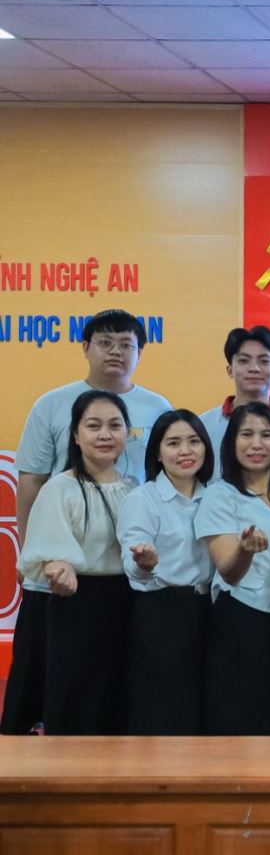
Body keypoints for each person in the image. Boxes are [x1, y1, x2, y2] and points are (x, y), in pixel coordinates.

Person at [6, 310, 169, 735]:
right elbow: (31, 482)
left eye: (126, 344)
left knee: (117, 687)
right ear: (85, 347)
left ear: (140, 351)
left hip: (127, 575)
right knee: (53, 681)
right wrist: (37, 555)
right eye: (105, 342)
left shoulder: (158, 408)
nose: (116, 351)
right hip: (64, 574)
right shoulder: (52, 405)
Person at [16, 391, 139, 735]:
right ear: (75, 435)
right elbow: (50, 550)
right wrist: (61, 567)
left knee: (119, 700)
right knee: (77, 699)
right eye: (93, 426)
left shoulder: (135, 489)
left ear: (127, 433)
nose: (105, 435)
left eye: (115, 426)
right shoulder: (60, 488)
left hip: (127, 603)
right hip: (77, 605)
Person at [195, 401, 270, 736]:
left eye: (266, 435)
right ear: (231, 442)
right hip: (241, 623)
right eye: (247, 435)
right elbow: (229, 571)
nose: (257, 444)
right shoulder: (220, 495)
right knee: (240, 721)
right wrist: (244, 550)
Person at [118, 409, 215, 735]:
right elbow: (132, 564)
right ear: (158, 453)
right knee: (165, 710)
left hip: (208, 612)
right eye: (173, 443)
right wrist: (144, 563)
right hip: (161, 614)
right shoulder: (143, 499)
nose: (185, 451)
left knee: (203, 708)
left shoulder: (215, 496)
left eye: (194, 442)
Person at [197, 325, 270, 464]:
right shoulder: (202, 426)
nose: (254, 368)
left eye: (264, 361)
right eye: (244, 361)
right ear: (229, 370)